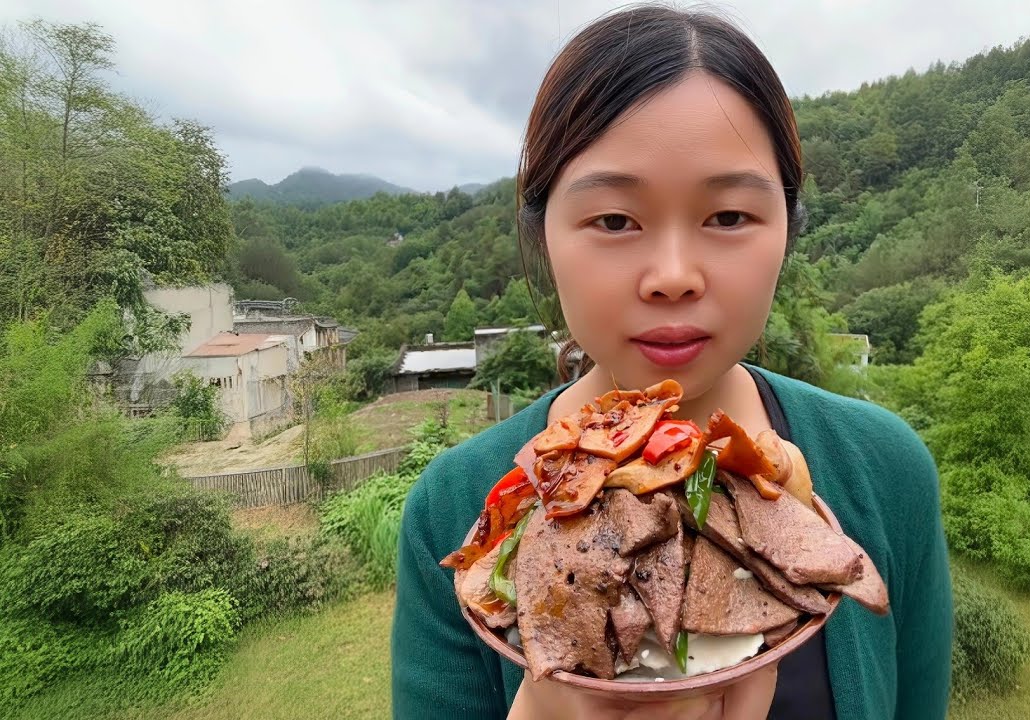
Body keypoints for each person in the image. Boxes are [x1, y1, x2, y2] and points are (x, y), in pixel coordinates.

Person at [391, 6, 952, 719]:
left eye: (728, 217)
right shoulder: (453, 508)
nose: (674, 275)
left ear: (788, 229)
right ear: (544, 235)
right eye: (615, 221)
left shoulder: (886, 472)